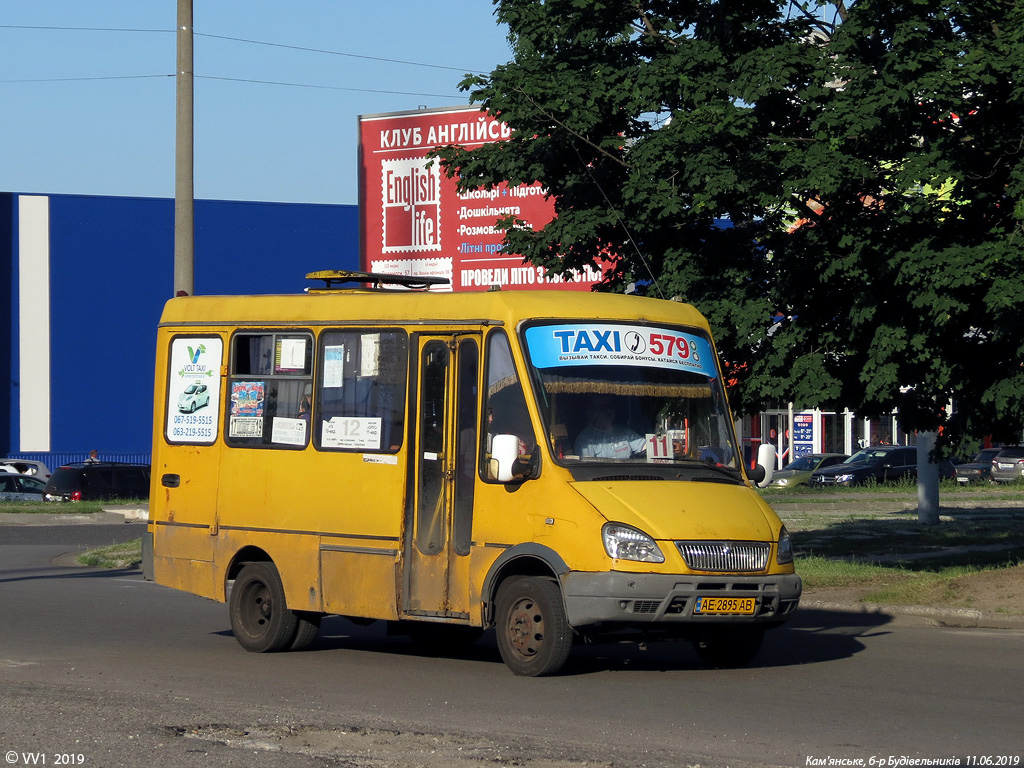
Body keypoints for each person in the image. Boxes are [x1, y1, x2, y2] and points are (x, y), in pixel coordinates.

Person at [574, 396, 646, 459]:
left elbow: (647, 448)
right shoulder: (584, 440)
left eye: (610, 407)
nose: (609, 411)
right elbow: (587, 468)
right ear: (591, 412)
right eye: (603, 408)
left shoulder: (625, 432)